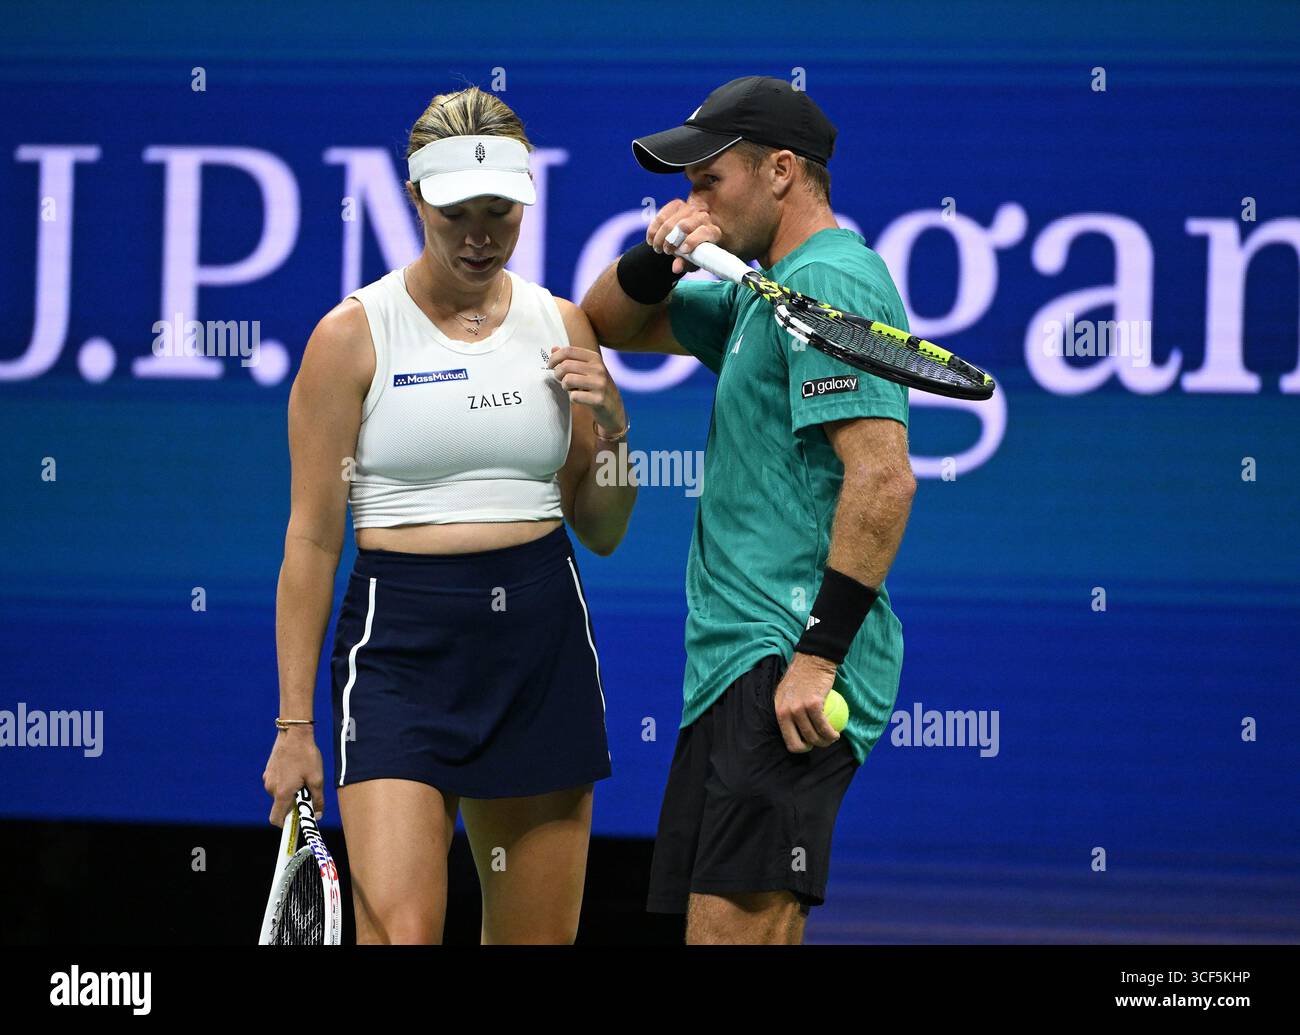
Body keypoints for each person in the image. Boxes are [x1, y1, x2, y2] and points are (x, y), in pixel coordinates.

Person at [262, 86, 637, 944]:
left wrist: (615, 424)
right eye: (454, 211)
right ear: (413, 201)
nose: (479, 233)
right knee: (400, 931)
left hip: (539, 642)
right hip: (399, 652)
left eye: (499, 210)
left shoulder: (562, 324)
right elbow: (312, 540)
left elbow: (606, 527)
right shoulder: (351, 336)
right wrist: (294, 725)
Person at [581, 76, 915, 944]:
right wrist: (661, 252)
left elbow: (883, 480)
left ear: (781, 171)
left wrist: (816, 658)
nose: (692, 201)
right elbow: (605, 319)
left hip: (786, 663)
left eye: (706, 183)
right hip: (735, 669)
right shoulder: (757, 293)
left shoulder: (835, 280)